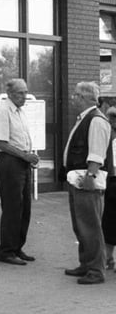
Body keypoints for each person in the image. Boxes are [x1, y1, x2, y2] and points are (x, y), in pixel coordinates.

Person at [62, 81, 112, 285]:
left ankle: (96, 269)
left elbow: (97, 152)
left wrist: (91, 177)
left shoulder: (96, 120)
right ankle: (86, 263)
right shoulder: (86, 118)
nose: (73, 99)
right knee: (80, 225)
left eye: (76, 95)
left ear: (84, 98)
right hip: (78, 180)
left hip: (86, 181)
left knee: (90, 226)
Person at [0, 78, 39, 265]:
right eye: (20, 93)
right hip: (10, 162)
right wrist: (24, 156)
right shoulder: (3, 111)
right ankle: (5, 251)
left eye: (26, 92)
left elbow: (21, 138)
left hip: (22, 161)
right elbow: (1, 142)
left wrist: (30, 156)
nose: (24, 96)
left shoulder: (20, 112)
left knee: (24, 207)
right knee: (12, 207)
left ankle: (17, 246)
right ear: (10, 94)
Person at [102, 106, 116, 270]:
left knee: (109, 223)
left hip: (112, 181)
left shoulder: (109, 133)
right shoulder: (109, 134)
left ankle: (108, 258)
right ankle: (108, 258)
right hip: (111, 181)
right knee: (109, 222)